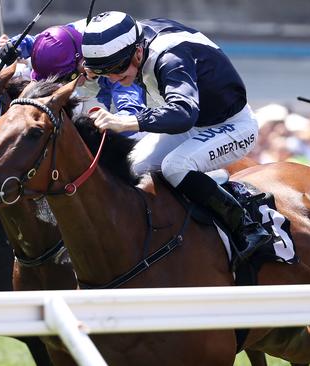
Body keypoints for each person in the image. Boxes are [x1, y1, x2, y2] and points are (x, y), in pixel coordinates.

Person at [80, 11, 272, 266]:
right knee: (132, 167)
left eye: (116, 68)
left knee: (175, 166)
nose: (114, 78)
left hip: (233, 126)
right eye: (104, 72)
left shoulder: (170, 57)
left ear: (138, 50)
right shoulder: (131, 40)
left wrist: (124, 121)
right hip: (192, 123)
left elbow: (183, 114)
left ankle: (247, 225)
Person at [0, 20, 146, 118]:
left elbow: (133, 114)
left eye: (65, 80)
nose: (61, 87)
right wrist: (13, 46)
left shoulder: (115, 64)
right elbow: (32, 42)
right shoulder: (64, 38)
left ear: (83, 61)